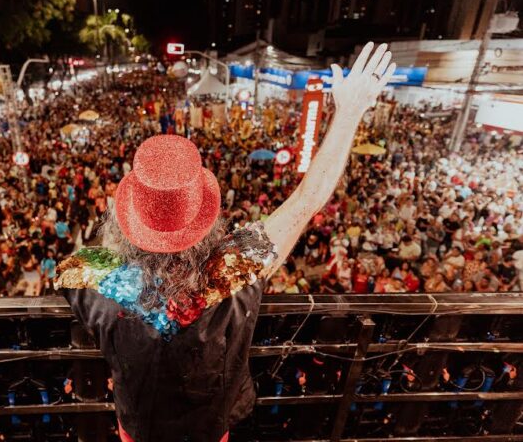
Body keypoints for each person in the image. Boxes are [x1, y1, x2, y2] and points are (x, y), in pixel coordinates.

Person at [54, 43, 396, 441]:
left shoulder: (93, 277)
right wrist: (349, 112)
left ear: (127, 219)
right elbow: (307, 201)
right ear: (206, 218)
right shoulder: (236, 267)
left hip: (137, 431)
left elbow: (66, 270)